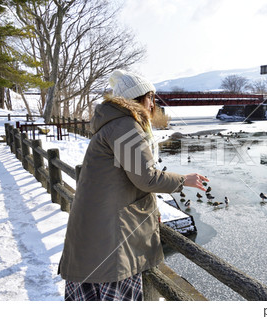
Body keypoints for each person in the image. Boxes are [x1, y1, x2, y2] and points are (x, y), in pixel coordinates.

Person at [58, 69, 208, 301]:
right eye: (151, 97)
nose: (153, 104)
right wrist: (183, 180)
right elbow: (145, 177)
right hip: (111, 235)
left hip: (99, 227)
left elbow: (127, 177)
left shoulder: (114, 124)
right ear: (140, 99)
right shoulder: (124, 126)